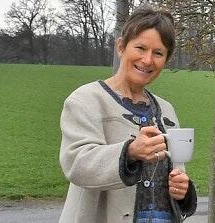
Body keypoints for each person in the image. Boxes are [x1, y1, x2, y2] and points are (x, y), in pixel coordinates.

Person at [59, 5, 197, 223]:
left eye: (158, 53)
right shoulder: (86, 100)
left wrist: (183, 190)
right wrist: (130, 152)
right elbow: (76, 164)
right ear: (121, 46)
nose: (148, 60)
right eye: (140, 48)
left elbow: (177, 173)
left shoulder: (166, 110)